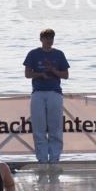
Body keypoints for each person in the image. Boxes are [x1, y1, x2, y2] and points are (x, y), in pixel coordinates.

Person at [23, 28, 69, 168]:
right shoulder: (33, 54)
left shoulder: (59, 54)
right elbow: (27, 74)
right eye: (46, 38)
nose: (49, 41)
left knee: (55, 127)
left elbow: (66, 75)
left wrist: (54, 71)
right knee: (39, 127)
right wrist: (40, 74)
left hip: (54, 92)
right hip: (38, 92)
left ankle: (54, 158)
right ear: (41, 39)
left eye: (51, 38)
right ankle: (42, 159)